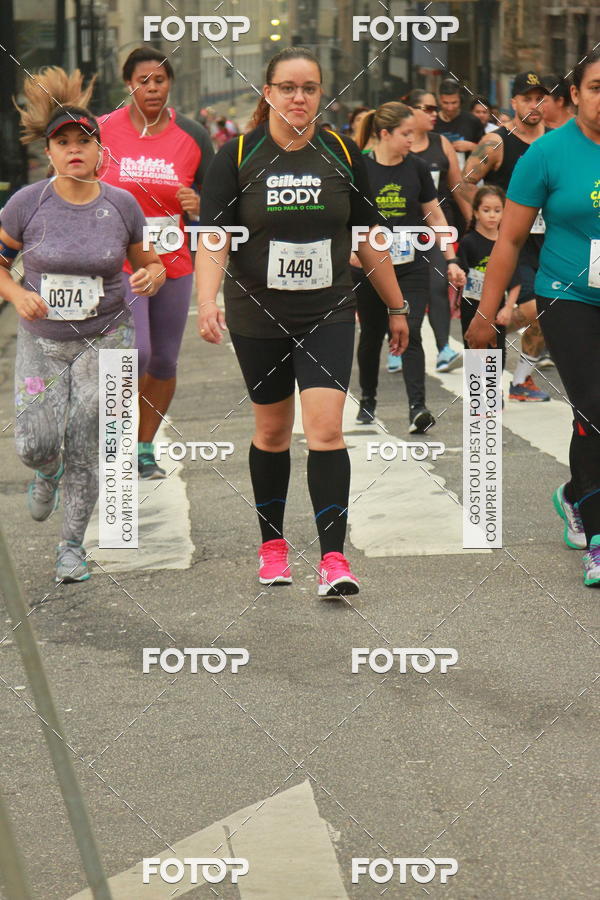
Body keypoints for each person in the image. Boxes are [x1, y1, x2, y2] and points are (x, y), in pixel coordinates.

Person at [195, 47, 410, 597]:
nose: (298, 97)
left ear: (321, 94)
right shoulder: (237, 154)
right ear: (267, 92)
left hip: (328, 312)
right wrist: (209, 299)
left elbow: (368, 237)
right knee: (270, 432)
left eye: (309, 88)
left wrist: (396, 305)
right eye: (288, 87)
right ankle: (273, 546)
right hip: (258, 315)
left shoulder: (340, 151)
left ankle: (334, 558)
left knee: (326, 431)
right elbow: (215, 237)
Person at [0, 67, 164, 583]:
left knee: (93, 437)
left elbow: (149, 262)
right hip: (42, 343)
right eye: (63, 142)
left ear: (100, 151)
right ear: (48, 152)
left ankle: (72, 547)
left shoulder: (122, 205)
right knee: (33, 442)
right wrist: (17, 293)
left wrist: (152, 276)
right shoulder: (27, 203)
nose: (75, 150)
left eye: (84, 141)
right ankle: (47, 472)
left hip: (107, 337)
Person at [466, 50, 600, 586]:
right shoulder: (546, 155)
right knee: (593, 406)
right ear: (574, 97)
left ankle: (572, 494)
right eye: (596, 87)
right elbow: (511, 239)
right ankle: (596, 536)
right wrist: (486, 315)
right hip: (569, 297)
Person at [99, 47, 214, 478]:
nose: (152, 88)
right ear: (129, 84)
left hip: (173, 262)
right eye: (143, 80)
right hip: (120, 263)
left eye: (160, 81)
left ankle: (144, 447)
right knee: (136, 353)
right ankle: (110, 437)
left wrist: (199, 203)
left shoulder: (193, 135)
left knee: (164, 361)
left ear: (170, 85)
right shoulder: (102, 130)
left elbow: (219, 202)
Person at [353, 102, 465, 431]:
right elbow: (348, 217)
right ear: (384, 134)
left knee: (410, 331)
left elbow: (434, 214)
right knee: (372, 335)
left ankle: (418, 406)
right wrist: (350, 250)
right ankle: (368, 398)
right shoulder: (360, 167)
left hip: (411, 264)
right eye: (405, 134)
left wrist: (451, 258)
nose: (411, 141)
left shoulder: (416, 167)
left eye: (413, 135)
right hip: (369, 267)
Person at [460, 71, 552, 402]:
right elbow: (466, 180)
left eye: (540, 98)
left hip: (548, 240)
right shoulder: (496, 142)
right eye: (527, 98)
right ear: (513, 102)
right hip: (511, 243)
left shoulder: (555, 140)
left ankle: (520, 381)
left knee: (550, 310)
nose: (534, 105)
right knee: (535, 309)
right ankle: (486, 333)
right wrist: (486, 217)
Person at [407, 88, 472, 372]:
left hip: (436, 226)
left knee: (437, 284)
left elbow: (458, 187)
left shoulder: (441, 142)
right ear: (411, 112)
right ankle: (401, 345)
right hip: (401, 229)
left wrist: (473, 221)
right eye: (429, 109)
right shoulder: (400, 143)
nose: (435, 114)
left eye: (435, 109)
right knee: (403, 291)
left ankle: (444, 348)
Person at [457, 185, 521, 369]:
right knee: (474, 353)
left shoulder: (505, 244)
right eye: (486, 210)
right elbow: (459, 272)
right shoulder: (468, 242)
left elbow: (515, 281)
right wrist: (458, 278)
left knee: (495, 354)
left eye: (497, 210)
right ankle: (476, 397)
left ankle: (494, 396)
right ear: (476, 212)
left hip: (497, 311)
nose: (492, 215)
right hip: (471, 308)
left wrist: (508, 308)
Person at [434, 79, 485, 169]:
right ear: (439, 100)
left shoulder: (472, 121)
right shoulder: (432, 121)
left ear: (460, 100)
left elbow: (488, 153)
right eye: (445, 103)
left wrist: (472, 147)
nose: (450, 108)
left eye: (454, 103)